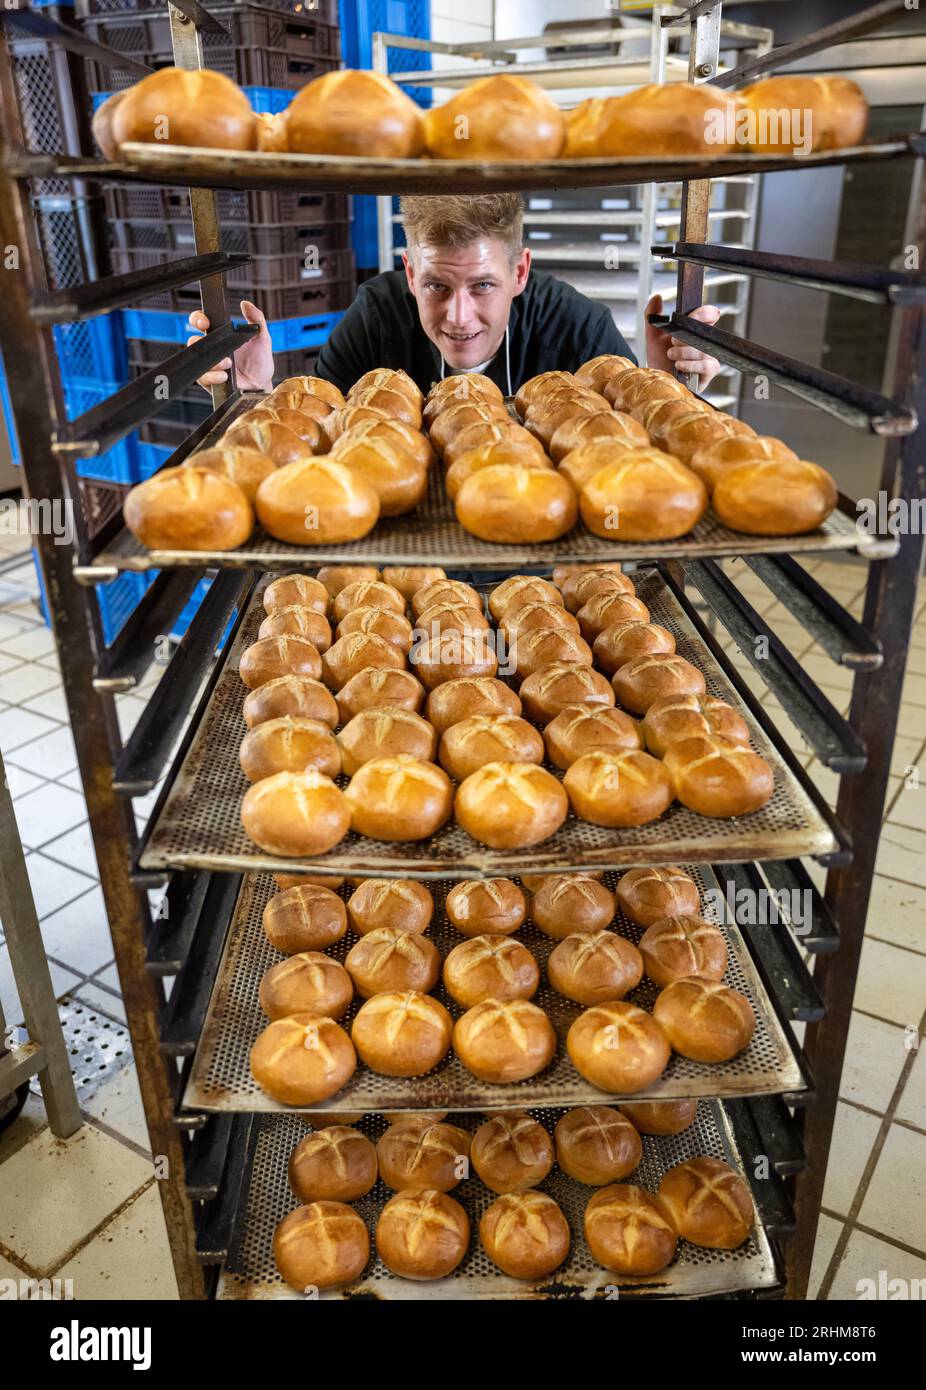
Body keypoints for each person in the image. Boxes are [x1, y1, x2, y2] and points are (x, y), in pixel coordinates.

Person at [190, 192, 722, 396]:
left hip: (545, 586)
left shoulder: (578, 328)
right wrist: (257, 395)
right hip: (400, 581)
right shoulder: (376, 315)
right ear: (408, 272)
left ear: (520, 272)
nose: (458, 316)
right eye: (436, 286)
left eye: (484, 285)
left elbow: (632, 466)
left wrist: (667, 395)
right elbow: (317, 440)